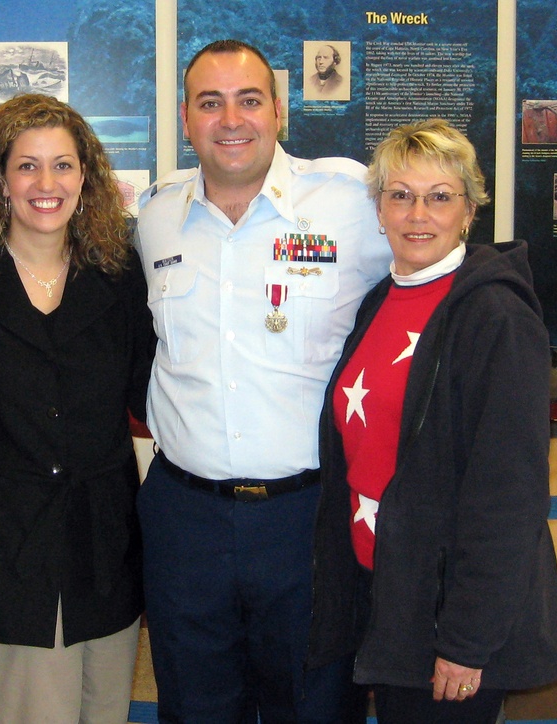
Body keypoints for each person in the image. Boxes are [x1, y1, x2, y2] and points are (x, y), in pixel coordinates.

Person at [134, 39, 391, 722]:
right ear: (186, 118)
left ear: (279, 110)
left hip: (305, 518)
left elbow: (435, 270)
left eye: (249, 100)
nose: (231, 119)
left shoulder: (349, 205)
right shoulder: (155, 216)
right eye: (210, 102)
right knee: (192, 706)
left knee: (314, 705)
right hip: (185, 517)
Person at [307, 118, 557, 723]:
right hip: (388, 592)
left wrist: (466, 641)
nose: (417, 214)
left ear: (469, 209)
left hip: (447, 613)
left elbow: (509, 494)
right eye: (399, 195)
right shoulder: (380, 299)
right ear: (378, 210)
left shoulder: (496, 315)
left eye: (440, 196)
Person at [0, 93, 155, 723]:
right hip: (11, 536)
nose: (46, 183)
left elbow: (153, 386)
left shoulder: (117, 273)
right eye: (27, 166)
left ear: (87, 177)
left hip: (106, 530)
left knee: (104, 706)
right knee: (34, 711)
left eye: (63, 165)